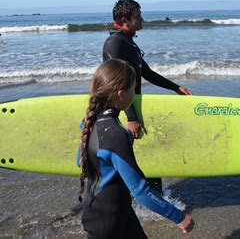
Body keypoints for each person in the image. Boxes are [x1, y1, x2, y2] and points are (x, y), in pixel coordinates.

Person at [79, 59, 194, 238]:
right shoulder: (116, 134)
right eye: (133, 88)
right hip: (110, 223)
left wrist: (115, 157)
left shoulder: (89, 122)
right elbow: (140, 189)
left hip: (107, 211)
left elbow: (80, 161)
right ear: (120, 94)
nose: (135, 93)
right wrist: (177, 216)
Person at [103, 0, 192, 194]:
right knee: (126, 158)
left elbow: (147, 73)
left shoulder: (127, 42)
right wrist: (131, 117)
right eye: (138, 16)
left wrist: (176, 88)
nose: (142, 19)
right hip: (119, 112)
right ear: (125, 19)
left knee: (146, 155)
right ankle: (134, 199)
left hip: (131, 105)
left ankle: (154, 199)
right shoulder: (114, 44)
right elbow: (117, 84)